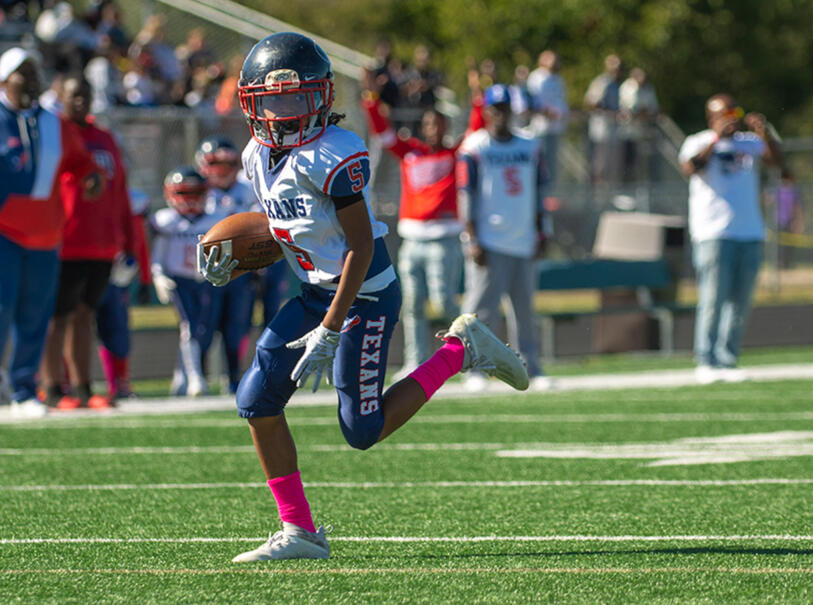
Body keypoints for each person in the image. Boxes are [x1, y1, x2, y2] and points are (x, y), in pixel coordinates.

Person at [197, 32, 529, 562]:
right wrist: (236, 256)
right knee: (256, 400)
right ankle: (299, 531)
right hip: (314, 290)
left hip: (366, 293)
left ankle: (460, 350)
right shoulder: (256, 154)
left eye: (296, 99)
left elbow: (356, 245)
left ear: (322, 99)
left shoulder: (334, 153)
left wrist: (331, 328)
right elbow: (287, 223)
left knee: (361, 429)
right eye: (272, 101)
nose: (283, 114)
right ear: (251, 104)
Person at [0, 48, 100, 417]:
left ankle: (25, 390)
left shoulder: (53, 122)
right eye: (20, 73)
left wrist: (91, 177)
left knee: (35, 315)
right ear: (3, 80)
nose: (29, 79)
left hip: (45, 234)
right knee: (1, 309)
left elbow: (80, 160)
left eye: (33, 71)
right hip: (4, 233)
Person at [39, 75, 136, 410]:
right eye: (73, 96)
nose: (80, 102)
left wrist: (126, 238)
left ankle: (82, 389)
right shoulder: (55, 136)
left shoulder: (105, 138)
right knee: (57, 316)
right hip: (64, 241)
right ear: (61, 97)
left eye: (85, 95)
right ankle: (52, 388)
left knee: (84, 314)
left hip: (101, 243)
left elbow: (119, 190)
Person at [361, 74, 464, 378]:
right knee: (413, 306)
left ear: (446, 128)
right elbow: (382, 134)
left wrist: (477, 95)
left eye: (439, 125)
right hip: (412, 241)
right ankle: (415, 361)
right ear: (424, 126)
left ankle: (470, 350)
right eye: (430, 124)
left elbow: (476, 131)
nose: (434, 129)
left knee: (444, 302)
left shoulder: (454, 154)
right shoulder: (410, 153)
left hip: (443, 240)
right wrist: (371, 100)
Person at [678, 93, 781, 384]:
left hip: (750, 232)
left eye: (734, 112)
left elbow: (778, 163)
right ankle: (706, 359)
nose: (732, 118)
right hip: (713, 233)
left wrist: (766, 133)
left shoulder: (749, 142)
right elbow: (689, 168)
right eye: (726, 113)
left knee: (740, 301)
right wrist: (715, 140)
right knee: (713, 298)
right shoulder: (698, 141)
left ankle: (727, 358)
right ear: (712, 117)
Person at [457, 84, 551, 391]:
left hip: (523, 239)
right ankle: (472, 369)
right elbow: (466, 195)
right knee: (480, 312)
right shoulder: (474, 146)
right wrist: (472, 239)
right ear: (485, 111)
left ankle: (531, 368)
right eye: (494, 109)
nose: (500, 115)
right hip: (490, 240)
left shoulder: (530, 145)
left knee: (525, 312)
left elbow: (540, 191)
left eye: (505, 109)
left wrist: (543, 229)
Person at [151, 166, 226, 397]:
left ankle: (181, 376)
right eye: (184, 193)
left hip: (205, 279)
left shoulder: (216, 218)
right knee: (190, 326)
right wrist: (159, 276)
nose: (190, 199)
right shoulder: (166, 220)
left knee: (205, 329)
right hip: (178, 280)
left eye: (195, 193)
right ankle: (195, 379)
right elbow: (158, 254)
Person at [196, 136, 258, 393]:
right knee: (203, 325)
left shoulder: (249, 188)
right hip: (206, 270)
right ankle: (196, 376)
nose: (221, 171)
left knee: (237, 324)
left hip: (243, 266)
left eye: (226, 164)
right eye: (215, 164)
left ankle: (234, 376)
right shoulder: (197, 189)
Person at [95, 188, 152, 400]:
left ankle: (119, 384)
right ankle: (63, 384)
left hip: (116, 277)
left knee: (117, 331)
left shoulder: (130, 202)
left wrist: (145, 278)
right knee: (70, 328)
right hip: (83, 270)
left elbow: (139, 242)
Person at [526, 50, 569, 188]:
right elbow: (533, 101)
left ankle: (551, 190)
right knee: (540, 161)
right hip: (540, 127)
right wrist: (547, 112)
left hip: (555, 127)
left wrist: (562, 113)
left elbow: (562, 101)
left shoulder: (558, 80)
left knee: (552, 162)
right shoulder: (537, 77)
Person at [584, 54, 623, 185]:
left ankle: (609, 193)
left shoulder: (616, 84)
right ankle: (597, 196)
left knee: (612, 166)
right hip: (601, 130)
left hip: (613, 130)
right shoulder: (601, 82)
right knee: (600, 165)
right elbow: (591, 102)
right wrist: (608, 110)